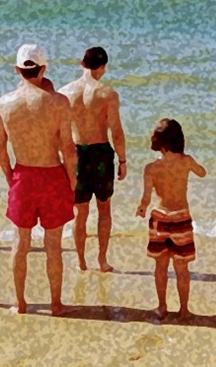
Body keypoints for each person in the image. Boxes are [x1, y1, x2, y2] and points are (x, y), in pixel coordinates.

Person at [0, 43, 77, 316]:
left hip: (23, 174)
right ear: (44, 69)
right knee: (53, 245)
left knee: (20, 242)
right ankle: (56, 303)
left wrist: (11, 177)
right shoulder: (59, 102)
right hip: (52, 174)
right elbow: (68, 149)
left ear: (17, 69)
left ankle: (20, 302)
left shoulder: (4, 103)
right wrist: (72, 181)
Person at [59, 47, 127, 272]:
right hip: (101, 154)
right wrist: (123, 160)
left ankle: (81, 261)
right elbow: (117, 131)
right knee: (104, 209)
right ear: (103, 67)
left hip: (77, 153)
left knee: (80, 212)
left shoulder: (65, 93)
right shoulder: (107, 94)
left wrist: (62, 157)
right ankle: (102, 260)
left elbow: (58, 133)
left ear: (82, 63)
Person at [136, 118, 206, 319]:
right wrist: (192, 164)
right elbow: (202, 173)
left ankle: (162, 306)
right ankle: (184, 309)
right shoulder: (186, 161)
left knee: (160, 266)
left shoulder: (151, 168)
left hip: (160, 218)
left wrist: (141, 208)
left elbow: (146, 198)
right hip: (181, 218)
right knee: (182, 268)